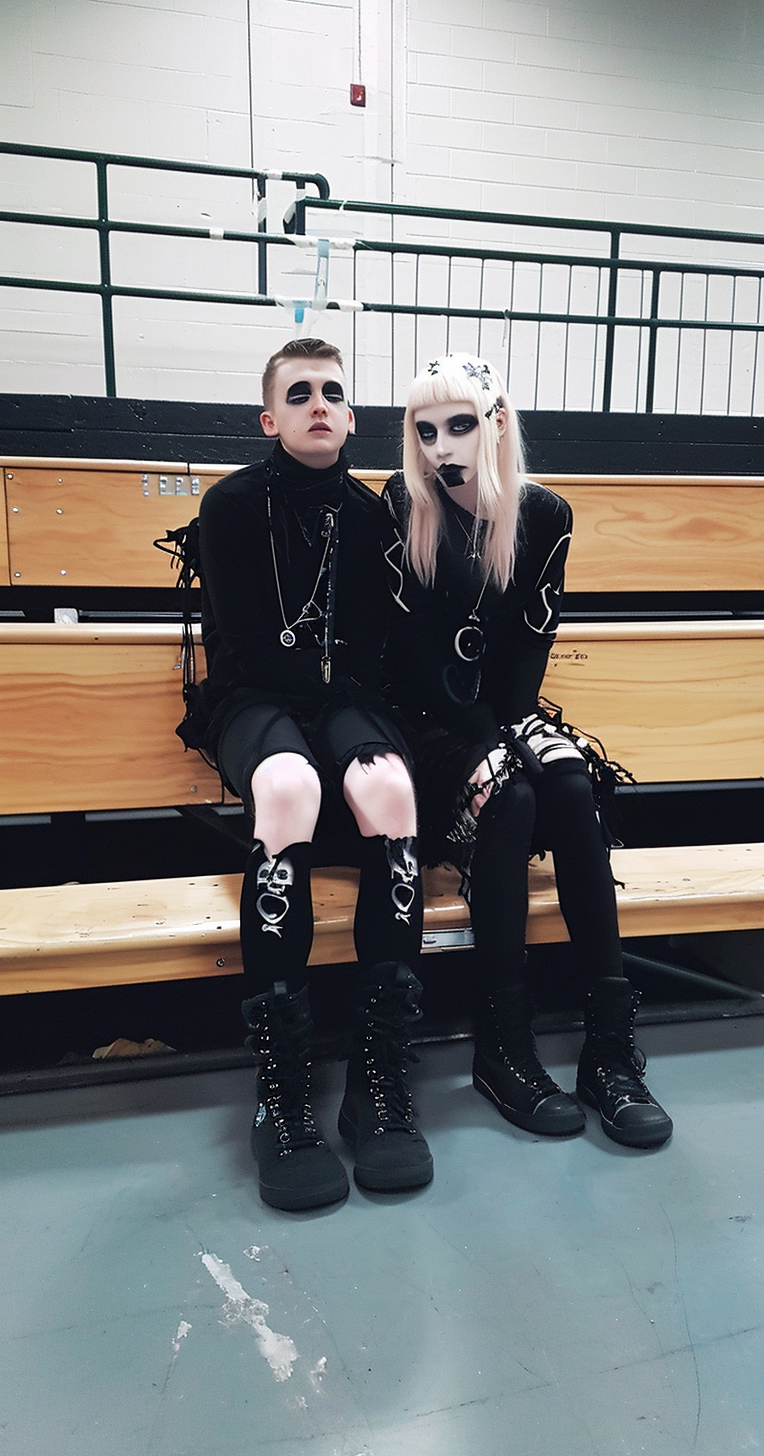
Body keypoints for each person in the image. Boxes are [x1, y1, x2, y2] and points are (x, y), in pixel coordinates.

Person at [380, 352, 672, 1150]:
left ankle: (609, 1048)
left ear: (497, 422)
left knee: (572, 783)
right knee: (506, 794)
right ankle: (501, 1048)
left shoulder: (545, 516)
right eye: (425, 429)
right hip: (424, 726)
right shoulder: (405, 509)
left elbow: (526, 662)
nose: (441, 445)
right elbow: (411, 669)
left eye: (460, 424)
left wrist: (512, 734)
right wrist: (493, 746)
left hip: (496, 711)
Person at [196, 337, 433, 1212]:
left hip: (344, 700)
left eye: (334, 392)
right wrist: (324, 719)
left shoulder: (374, 517)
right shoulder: (229, 508)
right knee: (291, 785)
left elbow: (371, 652)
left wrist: (352, 729)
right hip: (254, 701)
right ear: (271, 418)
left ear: (352, 416)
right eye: (300, 394)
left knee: (390, 789)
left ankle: (378, 1080)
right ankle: (282, 1087)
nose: (319, 404)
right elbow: (254, 652)